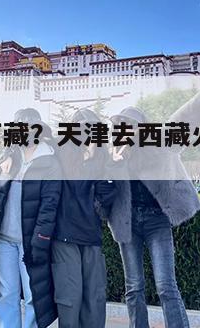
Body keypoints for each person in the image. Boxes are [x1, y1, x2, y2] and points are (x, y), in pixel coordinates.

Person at [107, 79, 200, 328]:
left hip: (156, 221)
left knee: (165, 286)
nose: (125, 130)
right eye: (121, 126)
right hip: (128, 224)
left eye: (130, 125)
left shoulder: (158, 144)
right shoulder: (114, 155)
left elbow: (184, 118)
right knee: (134, 287)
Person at [0, 108, 62, 328]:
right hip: (4, 241)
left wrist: (40, 239)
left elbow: (50, 205)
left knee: (34, 297)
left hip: (31, 243)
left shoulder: (49, 161)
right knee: (7, 294)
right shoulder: (8, 157)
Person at [52, 108, 117, 328]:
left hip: (91, 237)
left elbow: (107, 195)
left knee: (95, 299)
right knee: (70, 298)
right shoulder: (62, 153)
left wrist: (102, 161)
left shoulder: (102, 157)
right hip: (65, 237)